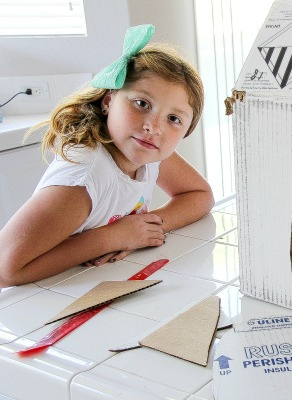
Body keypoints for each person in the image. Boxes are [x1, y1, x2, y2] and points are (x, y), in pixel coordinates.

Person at [0, 25, 214, 287]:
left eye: (173, 119)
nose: (154, 127)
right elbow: (5, 269)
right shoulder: (84, 179)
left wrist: (143, 230)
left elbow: (200, 196)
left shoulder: (148, 152)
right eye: (142, 104)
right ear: (108, 101)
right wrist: (112, 238)